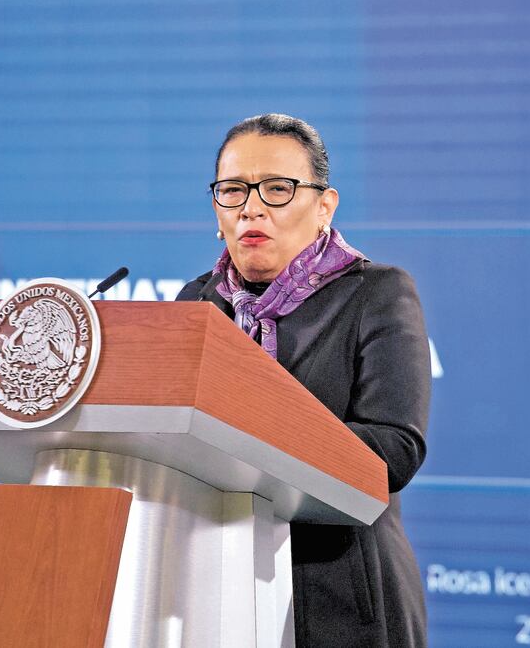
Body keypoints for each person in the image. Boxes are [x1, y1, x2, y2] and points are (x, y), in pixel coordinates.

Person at [177, 114, 430, 647]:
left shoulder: (376, 293)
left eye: (277, 189)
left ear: (323, 206)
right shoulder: (198, 304)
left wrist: (255, 432)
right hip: (213, 589)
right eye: (232, 190)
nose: (251, 207)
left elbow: (393, 450)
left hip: (341, 594)